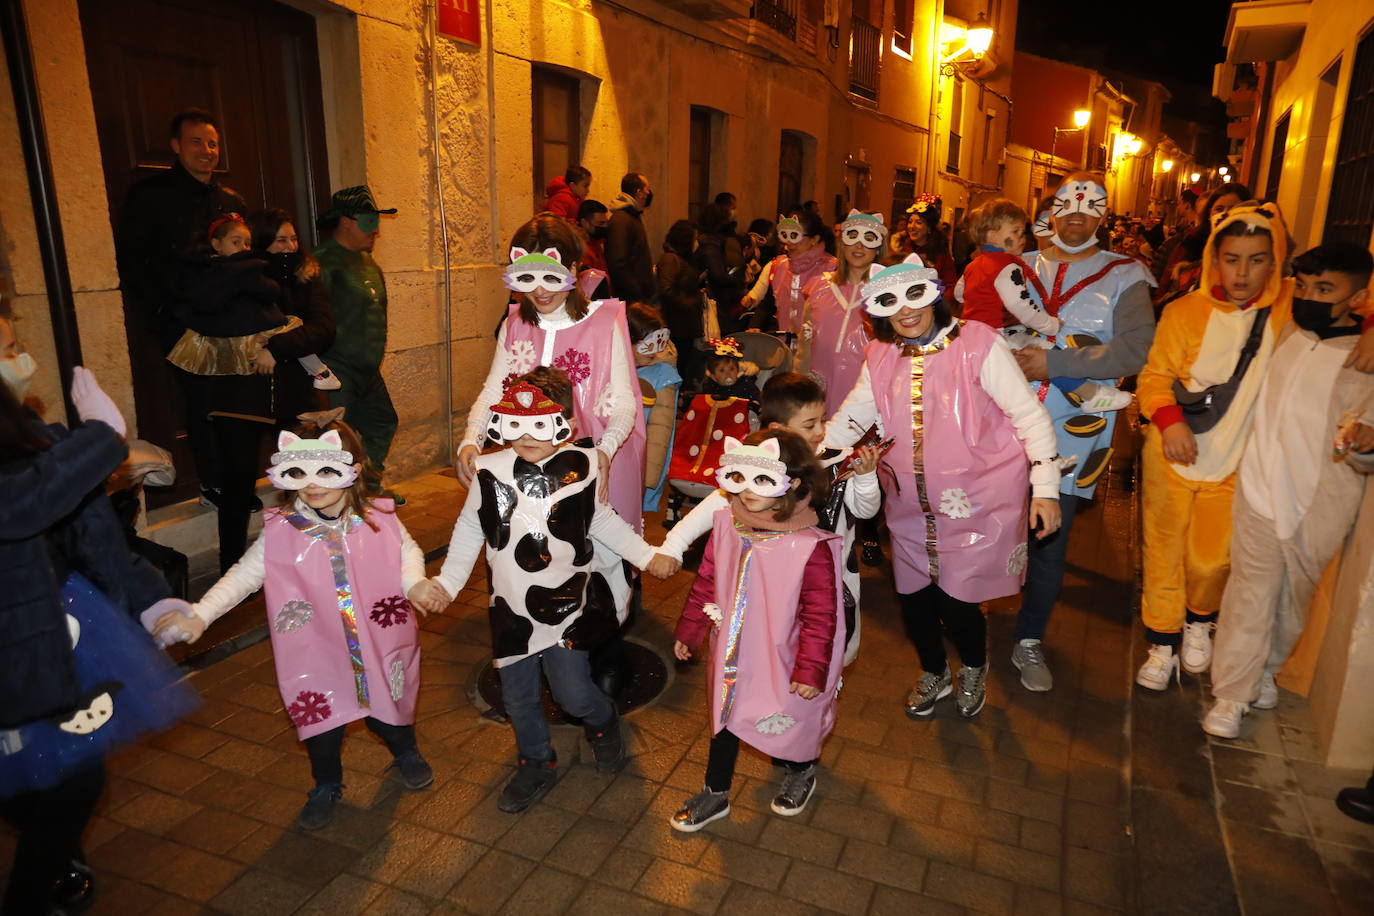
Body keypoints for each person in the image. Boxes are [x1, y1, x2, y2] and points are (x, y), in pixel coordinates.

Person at [150, 420, 439, 830]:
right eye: (298, 473)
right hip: (314, 648)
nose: (312, 484)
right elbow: (244, 575)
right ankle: (326, 783)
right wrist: (201, 613)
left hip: (377, 639)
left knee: (385, 709)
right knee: (321, 724)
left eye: (325, 471)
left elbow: (406, 550)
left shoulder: (379, 517)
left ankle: (405, 750)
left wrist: (415, 583)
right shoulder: (281, 532)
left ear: (351, 467)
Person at [1, 318, 197, 913]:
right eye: (10, 347)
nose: (23, 357)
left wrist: (151, 599)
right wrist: (100, 439)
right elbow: (17, 504)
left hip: (50, 632)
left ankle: (52, 861)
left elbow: (90, 533)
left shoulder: (23, 427)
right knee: (59, 778)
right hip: (17, 639)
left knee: (65, 772)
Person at [827, 255, 1061, 718]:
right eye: (890, 302)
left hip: (979, 502)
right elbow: (853, 417)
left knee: (958, 601)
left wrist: (1047, 488)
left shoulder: (978, 344)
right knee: (914, 599)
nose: (905, 310)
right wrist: (808, 462)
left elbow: (1028, 415)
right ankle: (934, 671)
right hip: (909, 505)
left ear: (933, 292)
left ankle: (973, 665)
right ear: (878, 310)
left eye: (914, 294)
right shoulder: (881, 354)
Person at [429, 371, 657, 812]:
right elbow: (469, 529)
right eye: (517, 422)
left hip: (569, 605)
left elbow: (602, 521)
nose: (528, 435)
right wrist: (447, 583)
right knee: (517, 697)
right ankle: (536, 760)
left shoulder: (584, 466)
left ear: (566, 424)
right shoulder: (489, 472)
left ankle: (603, 722)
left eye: (541, 422)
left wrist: (647, 556)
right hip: (510, 609)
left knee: (573, 693)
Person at [1202, 243, 1374, 736]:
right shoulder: (1287, 334)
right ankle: (1231, 695)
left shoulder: (1361, 360)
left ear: (1358, 297)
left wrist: (1365, 441)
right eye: (1303, 286)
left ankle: (1268, 670)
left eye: (1325, 289)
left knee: (1291, 601)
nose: (1308, 297)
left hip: (1319, 503)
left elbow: (1364, 443)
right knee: (1249, 595)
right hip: (1258, 488)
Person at [457, 214, 647, 633]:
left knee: (603, 554)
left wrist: (603, 452)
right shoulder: (515, 323)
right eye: (527, 278)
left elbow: (622, 402)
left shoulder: (603, 322)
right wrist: (470, 439)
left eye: (550, 277)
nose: (539, 291)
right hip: (531, 460)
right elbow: (494, 390)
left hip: (592, 457)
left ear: (574, 270)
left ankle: (607, 634)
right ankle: (550, 635)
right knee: (545, 554)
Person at [1007, 174, 1158, 693]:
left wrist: (1052, 362)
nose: (1076, 215)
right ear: (1051, 211)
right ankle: (970, 611)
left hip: (1074, 429)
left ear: (1102, 215)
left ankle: (1029, 639)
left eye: (1089, 207)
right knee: (987, 522)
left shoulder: (1126, 274)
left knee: (1050, 537)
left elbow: (1136, 348)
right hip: (1001, 420)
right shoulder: (1018, 265)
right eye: (1066, 205)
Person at [1134, 203, 1294, 688]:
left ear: (1275, 260)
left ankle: (1199, 620)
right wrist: (1169, 422)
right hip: (1172, 455)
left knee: (1210, 558)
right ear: (1213, 258)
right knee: (1162, 553)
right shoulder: (1185, 312)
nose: (1242, 272)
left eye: (1256, 259)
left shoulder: (1288, 308)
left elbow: (1354, 298)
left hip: (1235, 464)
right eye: (1232, 258)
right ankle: (1162, 643)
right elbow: (1154, 377)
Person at [669, 430, 844, 830]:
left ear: (792, 483)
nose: (746, 492)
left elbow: (821, 614)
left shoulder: (809, 546)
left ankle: (800, 769)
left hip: (785, 655)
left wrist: (811, 669)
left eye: (761, 480)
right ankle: (715, 793)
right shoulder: (727, 525)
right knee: (725, 718)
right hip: (731, 652)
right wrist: (691, 629)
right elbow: (707, 579)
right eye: (739, 477)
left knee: (788, 716)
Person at [658, 374, 881, 665]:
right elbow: (715, 503)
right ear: (779, 429)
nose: (821, 431)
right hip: (767, 587)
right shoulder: (756, 467)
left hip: (825, 589)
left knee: (819, 657)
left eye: (822, 421)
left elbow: (865, 511)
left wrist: (865, 479)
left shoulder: (837, 463)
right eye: (809, 424)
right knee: (766, 658)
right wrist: (673, 546)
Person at [115, 108, 247, 498]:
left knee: (237, 402)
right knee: (201, 402)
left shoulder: (231, 199)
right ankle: (213, 483)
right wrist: (163, 309)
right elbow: (131, 260)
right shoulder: (150, 195)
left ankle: (237, 482)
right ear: (175, 146)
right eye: (196, 142)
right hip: (181, 321)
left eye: (213, 143)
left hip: (232, 319)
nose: (206, 150)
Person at [956, 198, 1132, 413]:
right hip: (999, 336)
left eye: (1023, 232)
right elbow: (1021, 306)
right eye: (1016, 232)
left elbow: (959, 294)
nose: (1023, 238)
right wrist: (1050, 325)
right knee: (1050, 357)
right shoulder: (1008, 267)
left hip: (975, 336)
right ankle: (1089, 394)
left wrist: (980, 301)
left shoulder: (973, 265)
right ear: (992, 235)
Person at [315, 185, 402, 499]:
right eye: (368, 221)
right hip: (336, 367)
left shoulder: (368, 262)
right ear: (346, 221)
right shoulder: (322, 263)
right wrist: (315, 369)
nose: (376, 230)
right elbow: (306, 316)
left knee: (382, 421)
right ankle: (339, 497)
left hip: (367, 368)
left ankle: (368, 486)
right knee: (337, 435)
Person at [165, 213, 293, 378]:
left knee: (289, 331)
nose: (243, 248)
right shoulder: (208, 271)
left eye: (247, 243)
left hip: (257, 326)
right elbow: (206, 301)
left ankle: (318, 370)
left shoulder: (253, 265)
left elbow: (272, 291)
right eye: (236, 242)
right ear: (216, 244)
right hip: (228, 333)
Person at [247, 208, 339, 427]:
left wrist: (275, 349)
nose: (290, 246)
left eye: (293, 239)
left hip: (296, 388)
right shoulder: (247, 279)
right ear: (263, 242)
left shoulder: (305, 276)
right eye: (281, 240)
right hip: (252, 390)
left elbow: (323, 327)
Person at [799, 210, 884, 416]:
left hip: (864, 392)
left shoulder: (886, 294)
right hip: (819, 390)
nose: (859, 246)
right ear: (842, 243)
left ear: (878, 248)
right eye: (852, 237)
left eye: (868, 239)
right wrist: (798, 385)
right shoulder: (819, 287)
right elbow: (804, 344)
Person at [740, 209, 837, 342]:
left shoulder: (831, 269)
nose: (789, 243)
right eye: (785, 235)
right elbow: (768, 304)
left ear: (814, 239)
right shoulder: (780, 266)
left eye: (795, 236)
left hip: (818, 346)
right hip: (784, 344)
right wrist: (755, 326)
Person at [630, 303, 682, 513]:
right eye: (647, 344)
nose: (655, 351)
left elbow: (661, 431)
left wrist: (647, 478)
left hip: (638, 468)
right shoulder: (612, 368)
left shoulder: (662, 375)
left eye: (660, 342)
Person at [656, 219, 707, 386]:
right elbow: (666, 290)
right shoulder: (670, 259)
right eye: (694, 238)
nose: (696, 242)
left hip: (684, 325)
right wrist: (693, 301)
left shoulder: (682, 259)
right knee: (678, 368)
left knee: (685, 367)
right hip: (677, 325)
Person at [606, 172, 655, 302]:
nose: (649, 193)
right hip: (630, 298)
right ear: (639, 192)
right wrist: (637, 291)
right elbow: (617, 263)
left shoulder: (632, 216)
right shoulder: (622, 220)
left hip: (636, 295)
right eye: (647, 189)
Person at [696, 203, 745, 333]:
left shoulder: (709, 241)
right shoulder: (710, 244)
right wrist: (736, 281)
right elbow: (717, 274)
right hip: (716, 298)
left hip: (716, 296)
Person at [894, 193, 957, 293]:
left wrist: (939, 304)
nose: (912, 227)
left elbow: (950, 284)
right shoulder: (900, 249)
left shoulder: (940, 252)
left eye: (919, 222)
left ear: (929, 228)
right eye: (910, 222)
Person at [699, 337, 760, 410]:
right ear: (713, 376)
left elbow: (757, 397)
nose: (728, 374)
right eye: (722, 370)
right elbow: (702, 404)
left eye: (731, 369)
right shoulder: (709, 387)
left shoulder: (745, 385)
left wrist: (755, 404)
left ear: (737, 370)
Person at [577, 198, 611, 275]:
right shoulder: (582, 250)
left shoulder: (595, 243)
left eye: (606, 223)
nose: (605, 226)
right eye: (601, 223)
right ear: (585, 223)